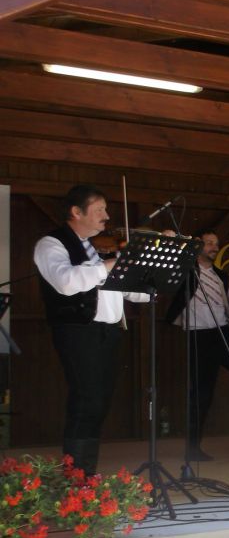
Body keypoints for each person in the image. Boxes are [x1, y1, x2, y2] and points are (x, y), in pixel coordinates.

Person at [33, 184, 149, 475]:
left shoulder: (96, 250)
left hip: (108, 332)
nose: (106, 216)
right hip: (79, 331)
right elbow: (65, 282)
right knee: (87, 400)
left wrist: (150, 278)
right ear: (76, 212)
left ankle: (84, 473)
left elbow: (129, 291)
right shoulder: (51, 244)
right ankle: (77, 476)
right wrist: (109, 265)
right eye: (99, 210)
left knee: (100, 401)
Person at [165, 230, 229, 463]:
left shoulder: (224, 277)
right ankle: (193, 448)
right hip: (197, 335)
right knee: (201, 393)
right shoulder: (184, 271)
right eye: (209, 243)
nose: (214, 247)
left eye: (216, 243)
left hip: (222, 332)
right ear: (198, 246)